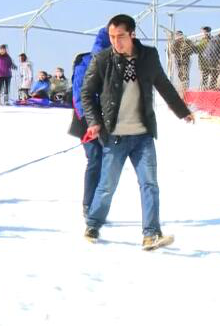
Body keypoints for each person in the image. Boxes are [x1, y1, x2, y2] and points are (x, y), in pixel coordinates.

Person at [80, 14, 194, 249]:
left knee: (149, 184)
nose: (116, 42)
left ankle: (151, 233)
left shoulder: (148, 56)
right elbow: (87, 93)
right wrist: (94, 121)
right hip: (115, 136)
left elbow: (163, 84)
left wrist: (182, 111)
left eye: (120, 36)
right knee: (107, 186)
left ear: (132, 34)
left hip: (143, 135)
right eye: (112, 37)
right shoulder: (102, 59)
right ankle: (93, 223)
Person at [67, 27, 111, 219]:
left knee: (107, 163)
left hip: (107, 120)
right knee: (95, 157)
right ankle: (89, 205)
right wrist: (90, 121)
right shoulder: (85, 62)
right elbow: (79, 95)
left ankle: (98, 205)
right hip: (85, 119)